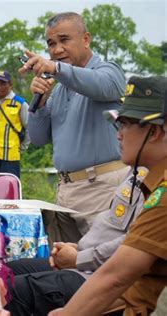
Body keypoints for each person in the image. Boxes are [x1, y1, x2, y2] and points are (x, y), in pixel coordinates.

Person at [48, 76, 167, 316]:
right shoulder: (153, 184)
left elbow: (118, 275)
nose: (118, 135)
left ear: (153, 131)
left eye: (124, 124)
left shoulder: (163, 197)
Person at [19, 12, 129, 243]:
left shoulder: (110, 71)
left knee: (101, 268)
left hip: (102, 189)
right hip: (66, 192)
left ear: (86, 39)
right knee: (67, 268)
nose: (57, 49)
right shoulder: (59, 89)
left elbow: (103, 85)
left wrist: (56, 69)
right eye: (51, 44)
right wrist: (39, 100)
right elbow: (38, 139)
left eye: (64, 40)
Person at [5, 165, 147, 315]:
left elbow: (134, 245)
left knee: (10, 291)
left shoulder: (159, 185)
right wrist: (78, 249)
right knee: (8, 271)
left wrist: (79, 258)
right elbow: (113, 229)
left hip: (103, 275)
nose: (118, 139)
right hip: (89, 262)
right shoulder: (139, 169)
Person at [0, 70, 30, 178]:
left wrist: (22, 148)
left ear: (10, 85)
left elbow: (29, 128)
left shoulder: (19, 103)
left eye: (3, 83)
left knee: (8, 190)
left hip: (9, 157)